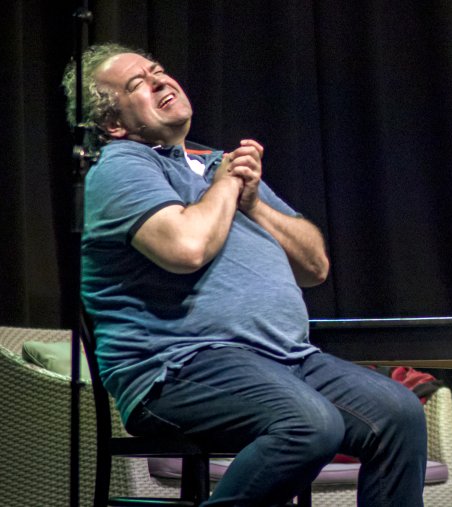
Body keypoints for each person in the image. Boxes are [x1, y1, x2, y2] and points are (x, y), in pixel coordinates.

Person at [63, 43, 427, 507]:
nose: (159, 81)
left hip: (286, 358)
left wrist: (253, 204)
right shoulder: (121, 166)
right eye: (138, 83)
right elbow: (186, 248)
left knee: (398, 414)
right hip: (179, 367)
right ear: (114, 124)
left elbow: (314, 267)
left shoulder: (217, 164)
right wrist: (226, 186)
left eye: (158, 71)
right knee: (309, 423)